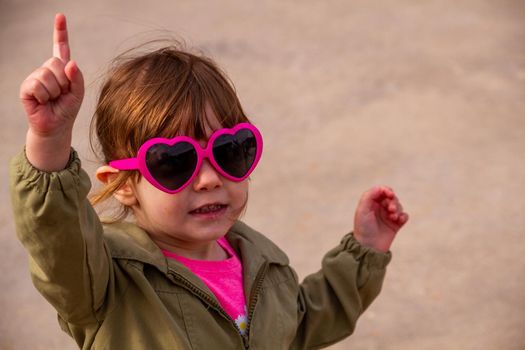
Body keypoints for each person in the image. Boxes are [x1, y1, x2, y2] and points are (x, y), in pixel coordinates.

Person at [10, 13, 409, 350]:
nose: (208, 179)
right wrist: (50, 140)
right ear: (124, 183)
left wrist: (364, 252)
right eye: (174, 161)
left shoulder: (259, 262)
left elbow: (300, 325)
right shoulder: (104, 280)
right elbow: (56, 239)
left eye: (229, 150)